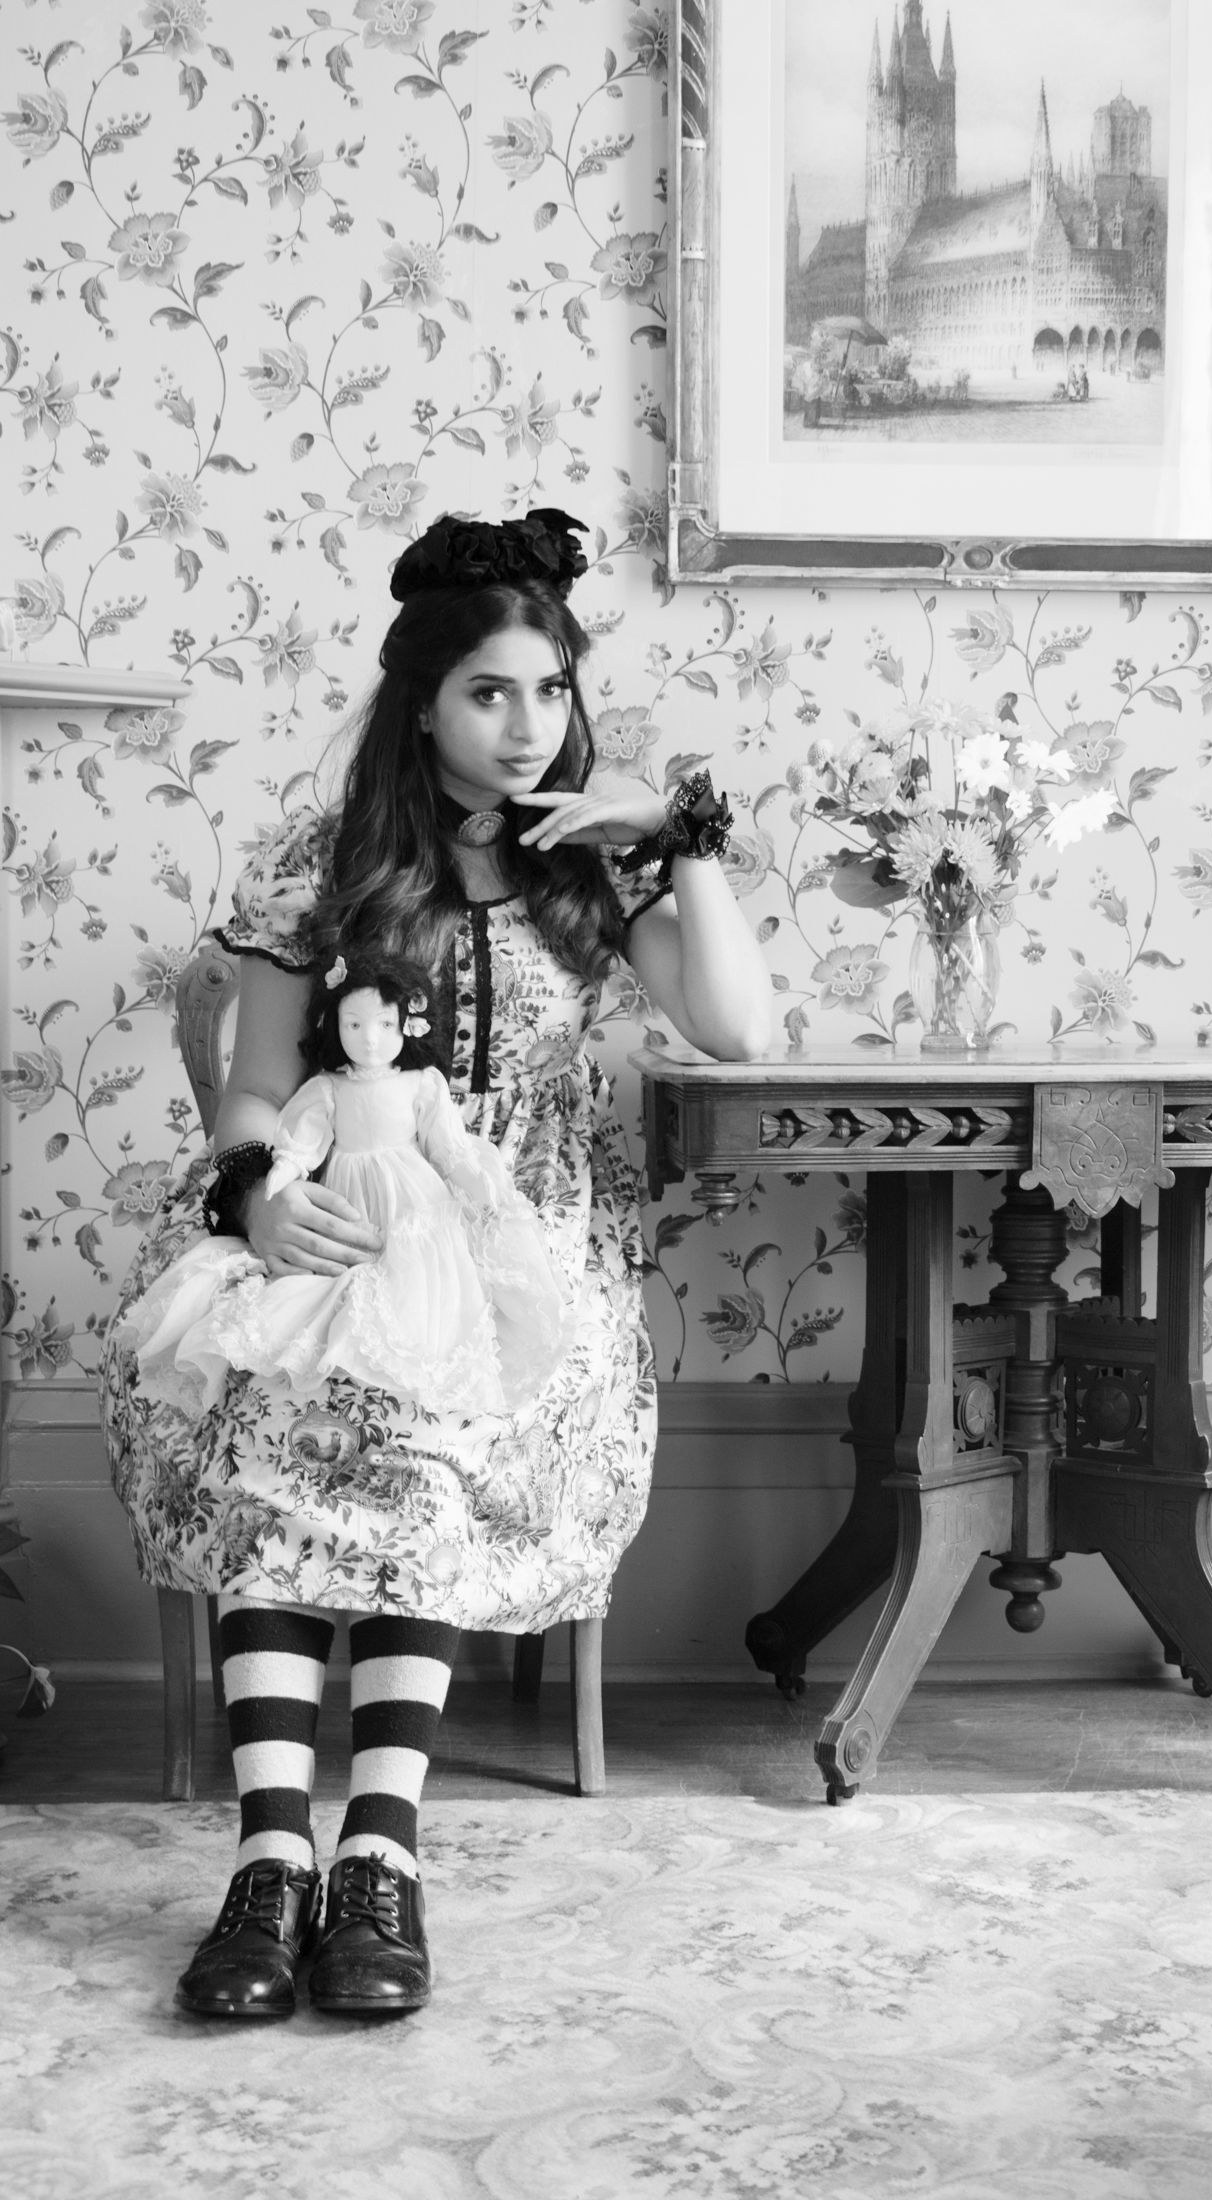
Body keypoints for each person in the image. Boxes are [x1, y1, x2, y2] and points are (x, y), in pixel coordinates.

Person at [100, 506, 773, 2021]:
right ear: (421, 702)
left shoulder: (592, 868)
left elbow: (738, 1029)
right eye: (488, 692)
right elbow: (255, 1091)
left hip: (524, 1261)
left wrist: (674, 836)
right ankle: (273, 1860)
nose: (527, 726)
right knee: (261, 1419)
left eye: (550, 690)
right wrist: (255, 1201)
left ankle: (379, 1858)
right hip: (331, 1220)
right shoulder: (324, 862)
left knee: (425, 1442)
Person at [113, 953, 569, 1424]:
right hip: (336, 1193)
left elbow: (448, 1148)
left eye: (383, 1025)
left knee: (437, 1314)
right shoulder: (329, 1089)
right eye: (354, 1025)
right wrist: (268, 1186)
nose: (369, 1039)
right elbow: (296, 1133)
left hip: (456, 1189)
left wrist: (482, 1185)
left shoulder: (421, 1085)